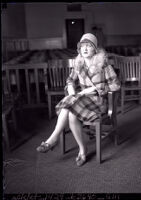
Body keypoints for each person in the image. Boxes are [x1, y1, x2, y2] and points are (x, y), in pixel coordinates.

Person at [36, 33, 120, 166]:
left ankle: (53, 139)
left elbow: (115, 85)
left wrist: (93, 89)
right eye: (82, 46)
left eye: (89, 46)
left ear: (95, 49)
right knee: (71, 113)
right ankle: (82, 149)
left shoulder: (104, 64)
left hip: (98, 102)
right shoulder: (78, 64)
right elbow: (70, 79)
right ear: (79, 49)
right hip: (81, 100)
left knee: (70, 104)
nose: (85, 49)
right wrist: (70, 87)